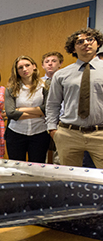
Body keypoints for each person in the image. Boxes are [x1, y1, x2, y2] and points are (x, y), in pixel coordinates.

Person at [46, 27, 103, 167]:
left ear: (98, 44)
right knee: (69, 180)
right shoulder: (61, 74)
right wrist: (52, 129)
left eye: (90, 39)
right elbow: (53, 103)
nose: (86, 43)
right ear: (73, 48)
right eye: (80, 41)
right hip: (69, 134)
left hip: (100, 134)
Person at [4, 56, 50, 162]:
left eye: (27, 65)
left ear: (34, 66)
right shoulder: (11, 89)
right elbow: (10, 112)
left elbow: (47, 109)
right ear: (16, 71)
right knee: (16, 169)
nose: (24, 69)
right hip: (16, 133)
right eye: (20, 67)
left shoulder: (45, 86)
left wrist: (20, 109)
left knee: (37, 168)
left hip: (39, 133)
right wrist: (39, 113)